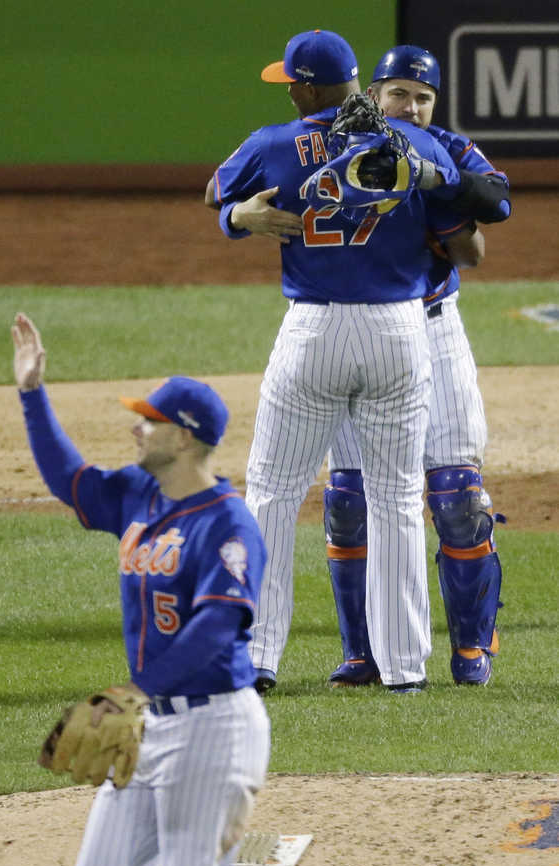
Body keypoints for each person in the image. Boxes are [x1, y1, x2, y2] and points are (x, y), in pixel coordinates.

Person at [206, 28, 486, 694]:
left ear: (305, 88)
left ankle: (258, 657)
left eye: (290, 84)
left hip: (314, 329)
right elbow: (480, 202)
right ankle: (404, 668)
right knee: (396, 500)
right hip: (400, 332)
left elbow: (217, 193)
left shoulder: (273, 144)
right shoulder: (411, 141)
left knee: (272, 492)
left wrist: (239, 217)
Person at [11, 311, 270, 866]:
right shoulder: (138, 494)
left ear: (184, 437)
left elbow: (218, 630)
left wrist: (136, 690)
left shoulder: (229, 524)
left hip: (215, 727)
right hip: (155, 724)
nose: (136, 427)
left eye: (149, 420)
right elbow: (69, 481)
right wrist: (33, 394)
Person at [322, 45, 510, 689]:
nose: (413, 107)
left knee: (459, 498)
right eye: (400, 93)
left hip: (433, 331)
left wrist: (433, 179)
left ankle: (471, 649)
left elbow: (494, 208)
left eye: (423, 97)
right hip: (355, 331)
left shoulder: (450, 148)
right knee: (349, 500)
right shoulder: (329, 144)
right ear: (374, 94)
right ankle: (362, 653)